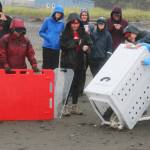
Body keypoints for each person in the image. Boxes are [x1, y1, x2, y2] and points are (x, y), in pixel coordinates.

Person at [61, 13, 93, 116]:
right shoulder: (65, 33)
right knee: (67, 84)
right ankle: (64, 107)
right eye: (73, 23)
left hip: (79, 61)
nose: (75, 25)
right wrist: (76, 43)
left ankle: (74, 106)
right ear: (69, 24)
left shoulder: (83, 32)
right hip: (68, 62)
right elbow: (63, 45)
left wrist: (86, 47)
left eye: (77, 23)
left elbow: (89, 42)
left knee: (77, 84)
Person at [39, 5, 64, 69]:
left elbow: (64, 34)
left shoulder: (62, 23)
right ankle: (44, 79)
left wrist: (60, 39)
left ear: (62, 14)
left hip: (56, 48)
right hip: (47, 47)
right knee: (46, 66)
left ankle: (53, 79)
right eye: (57, 12)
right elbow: (41, 32)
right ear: (54, 12)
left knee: (55, 67)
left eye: (60, 13)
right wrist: (48, 37)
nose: (58, 14)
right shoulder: (47, 20)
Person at [79, 8, 95, 95]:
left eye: (85, 15)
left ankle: (96, 89)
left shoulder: (91, 26)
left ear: (87, 16)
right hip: (80, 50)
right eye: (82, 15)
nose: (84, 16)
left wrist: (89, 33)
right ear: (80, 16)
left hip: (89, 50)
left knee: (91, 70)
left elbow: (94, 38)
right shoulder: (77, 25)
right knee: (81, 71)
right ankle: (80, 89)